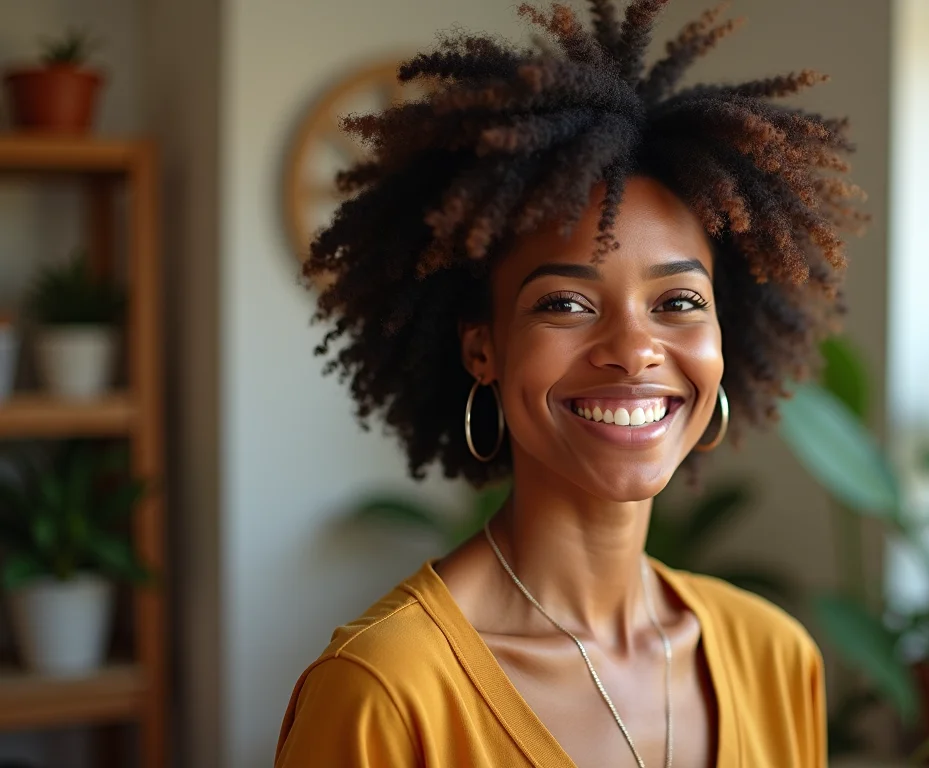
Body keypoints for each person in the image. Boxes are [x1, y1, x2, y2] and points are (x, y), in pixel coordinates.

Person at [274, 1, 863, 766]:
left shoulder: (775, 659)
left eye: (678, 302)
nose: (633, 351)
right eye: (565, 304)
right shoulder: (386, 693)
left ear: (729, 337)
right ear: (483, 349)